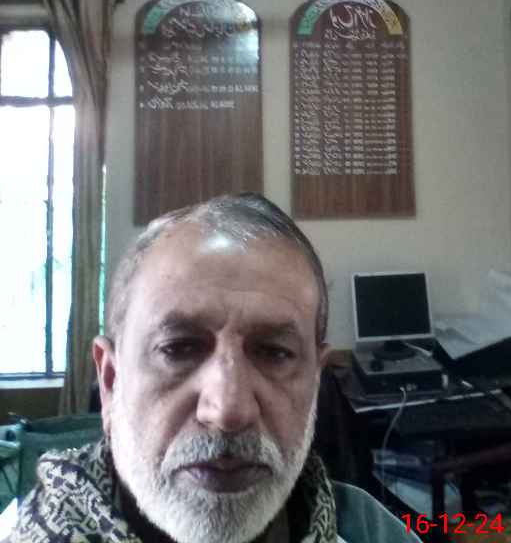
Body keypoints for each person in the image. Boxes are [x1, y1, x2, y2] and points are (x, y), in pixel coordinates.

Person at [9, 193, 417, 543]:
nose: (228, 410)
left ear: (314, 383)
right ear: (111, 382)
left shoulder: (371, 529)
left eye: (274, 352)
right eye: (178, 349)